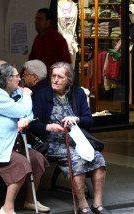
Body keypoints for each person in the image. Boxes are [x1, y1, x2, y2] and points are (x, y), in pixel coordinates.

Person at [29, 62, 111, 214]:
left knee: (98, 159)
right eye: (53, 76)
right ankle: (83, 206)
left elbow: (89, 120)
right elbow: (32, 124)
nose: (55, 80)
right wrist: (48, 127)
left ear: (69, 79)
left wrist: (77, 119)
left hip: (76, 140)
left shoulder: (77, 93)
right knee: (77, 161)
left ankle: (97, 204)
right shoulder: (42, 95)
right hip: (52, 142)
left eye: (60, 76)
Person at [0, 63, 50, 214]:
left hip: (9, 144)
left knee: (36, 158)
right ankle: (7, 208)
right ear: (8, 79)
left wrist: (24, 118)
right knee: (21, 163)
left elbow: (29, 114)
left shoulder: (11, 93)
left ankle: (30, 200)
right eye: (16, 76)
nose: (19, 78)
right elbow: (23, 109)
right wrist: (26, 96)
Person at [28, 8, 71, 76]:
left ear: (48, 22)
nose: (36, 22)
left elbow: (66, 64)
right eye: (36, 19)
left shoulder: (58, 39)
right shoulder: (37, 39)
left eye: (39, 19)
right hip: (39, 81)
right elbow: (30, 61)